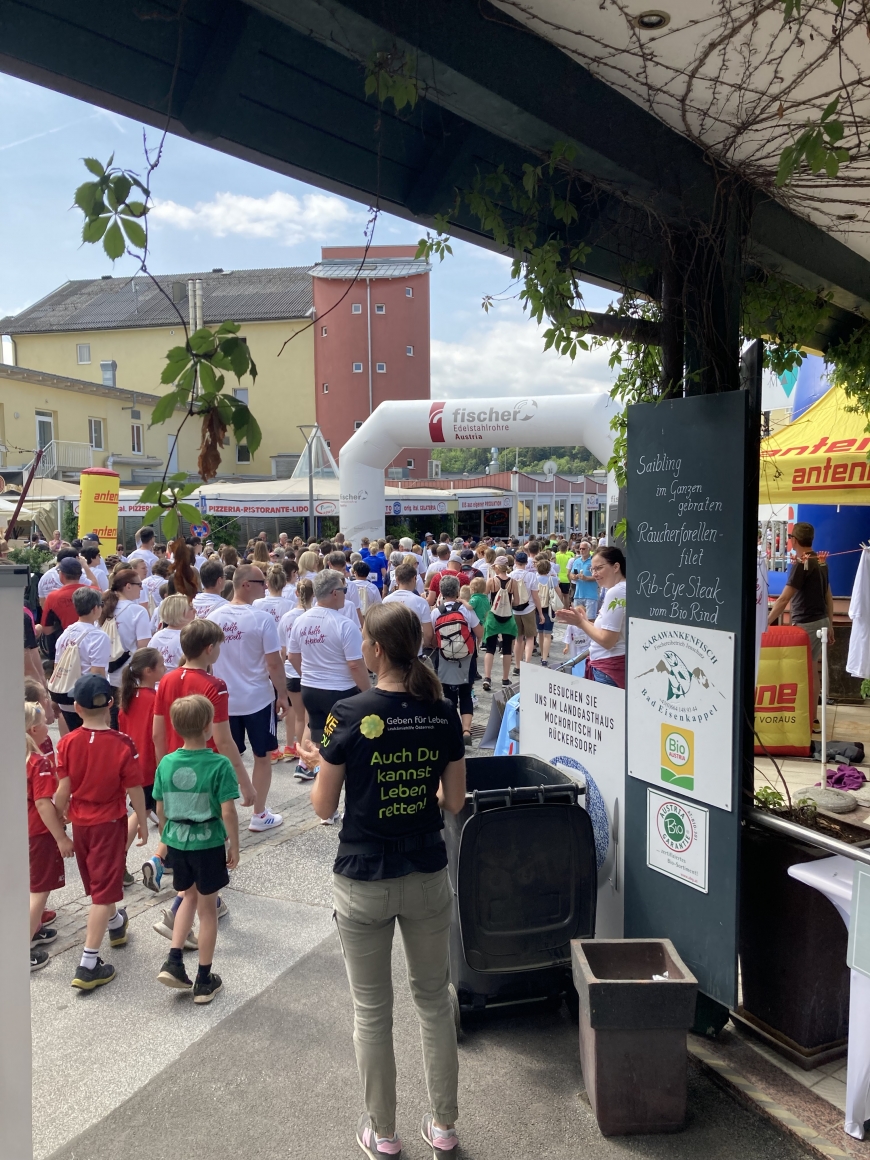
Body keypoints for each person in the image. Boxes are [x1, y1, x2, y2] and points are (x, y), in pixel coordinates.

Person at [296, 602, 466, 1160]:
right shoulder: (441, 712)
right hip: (426, 873)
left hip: (364, 877)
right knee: (434, 1002)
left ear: (373, 649)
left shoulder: (348, 713)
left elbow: (323, 806)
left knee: (372, 1010)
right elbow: (456, 801)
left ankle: (384, 1133)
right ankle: (443, 1126)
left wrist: (322, 762)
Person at [55, 675, 148, 990]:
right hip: (109, 822)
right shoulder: (123, 744)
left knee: (99, 885)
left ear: (77, 708)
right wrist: (144, 821)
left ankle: (116, 923)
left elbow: (61, 791)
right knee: (102, 893)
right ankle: (88, 964)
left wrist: (61, 815)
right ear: (111, 703)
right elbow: (134, 787)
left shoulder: (66, 743)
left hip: (81, 825)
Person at [153, 695, 240, 1003]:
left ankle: (174, 960)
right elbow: (228, 811)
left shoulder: (166, 763)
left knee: (186, 896)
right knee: (208, 910)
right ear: (208, 727)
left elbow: (160, 806)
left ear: (176, 728)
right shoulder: (219, 764)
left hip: (177, 841)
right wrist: (235, 845)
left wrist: (166, 837)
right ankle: (204, 979)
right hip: (208, 843)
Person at [207, 565, 289, 831]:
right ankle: (259, 813)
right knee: (262, 756)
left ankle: (224, 814)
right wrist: (283, 694)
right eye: (261, 582)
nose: (265, 586)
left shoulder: (214, 616)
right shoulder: (261, 618)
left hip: (224, 701)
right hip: (257, 698)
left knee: (226, 759)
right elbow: (274, 663)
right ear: (245, 584)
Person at [287, 569, 369, 772]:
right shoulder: (345, 624)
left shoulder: (301, 620)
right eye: (345, 590)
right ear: (335, 593)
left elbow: (292, 656)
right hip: (340, 691)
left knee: (317, 737)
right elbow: (355, 665)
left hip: (310, 688)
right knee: (345, 742)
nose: (346, 594)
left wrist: (306, 674)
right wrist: (369, 693)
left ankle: (318, 773)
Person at [767, 521, 834, 730]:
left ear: (794, 540)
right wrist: (830, 623)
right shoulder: (820, 562)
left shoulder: (801, 564)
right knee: (811, 671)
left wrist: (764, 622)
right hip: (820, 621)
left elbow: (784, 599)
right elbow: (828, 596)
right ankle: (811, 719)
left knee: (801, 672)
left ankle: (804, 719)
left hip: (807, 624)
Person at [25, 700, 74, 971]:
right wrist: (61, 837)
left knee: (28, 885)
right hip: (40, 834)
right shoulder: (39, 763)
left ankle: (30, 930)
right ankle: (21, 947)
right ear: (34, 729)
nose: (49, 725)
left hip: (23, 831)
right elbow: (43, 803)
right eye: (45, 722)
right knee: (39, 891)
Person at [118, 647, 164, 874]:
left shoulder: (128, 698)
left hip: (134, 764)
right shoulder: (155, 700)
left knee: (143, 810)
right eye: (161, 665)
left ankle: (118, 861)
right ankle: (166, 857)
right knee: (153, 811)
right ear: (149, 671)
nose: (165, 668)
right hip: (150, 765)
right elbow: (157, 736)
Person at [556, 545, 627, 688]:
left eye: (599, 568)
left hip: (608, 669)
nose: (594, 573)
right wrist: (582, 621)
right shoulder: (621, 589)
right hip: (610, 667)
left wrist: (580, 623)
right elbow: (607, 634)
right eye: (592, 569)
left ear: (616, 567)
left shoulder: (616, 592)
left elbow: (607, 641)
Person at [431, 574, 482, 746]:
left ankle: (451, 730)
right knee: (466, 694)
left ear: (441, 592)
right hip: (466, 658)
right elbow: (480, 632)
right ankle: (466, 730)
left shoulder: (436, 612)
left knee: (449, 695)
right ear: (458, 590)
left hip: (444, 659)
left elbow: (431, 639)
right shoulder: (466, 610)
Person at [50, 587, 111, 731]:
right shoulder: (98, 636)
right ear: (95, 608)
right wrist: (104, 704)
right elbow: (97, 673)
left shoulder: (66, 633)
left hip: (65, 696)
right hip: (87, 700)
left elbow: (57, 666)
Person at [100, 568, 152, 726]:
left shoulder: (104, 609)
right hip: (129, 677)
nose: (141, 588)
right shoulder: (138, 612)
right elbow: (143, 648)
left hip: (107, 674)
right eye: (139, 584)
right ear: (128, 586)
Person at [277, 578, 314, 766]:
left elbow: (283, 651)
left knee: (299, 716)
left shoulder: (287, 617)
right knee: (311, 717)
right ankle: (307, 754)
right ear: (313, 594)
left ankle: (300, 751)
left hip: (291, 672)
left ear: (296, 594)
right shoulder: (313, 617)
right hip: (310, 671)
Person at [383, 563, 434, 653]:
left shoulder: (386, 601)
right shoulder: (421, 602)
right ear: (414, 578)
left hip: (392, 651)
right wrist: (422, 646)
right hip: (414, 650)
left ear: (397, 580)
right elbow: (428, 633)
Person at [508, 551, 543, 673]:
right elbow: (535, 596)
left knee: (518, 639)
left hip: (515, 610)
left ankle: (517, 666)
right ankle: (527, 664)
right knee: (530, 638)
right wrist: (541, 613)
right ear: (526, 562)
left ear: (515, 561)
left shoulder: (510, 575)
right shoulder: (531, 576)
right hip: (529, 609)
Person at [148, 594, 196, 670]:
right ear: (179, 612)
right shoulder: (187, 639)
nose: (195, 611)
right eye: (191, 608)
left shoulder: (156, 636)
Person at [535, 556, 561, 667]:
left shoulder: (534, 579)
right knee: (547, 634)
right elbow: (558, 594)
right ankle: (544, 658)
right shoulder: (553, 579)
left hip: (537, 609)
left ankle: (541, 653)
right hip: (549, 609)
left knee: (540, 633)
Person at [570, 541, 599, 617]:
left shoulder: (594, 561)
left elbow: (598, 576)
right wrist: (573, 576)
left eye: (584, 549)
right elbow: (571, 573)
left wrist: (586, 578)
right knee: (577, 618)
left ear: (589, 549)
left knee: (590, 619)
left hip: (590, 595)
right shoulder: (576, 561)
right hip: (578, 594)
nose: (581, 551)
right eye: (580, 549)